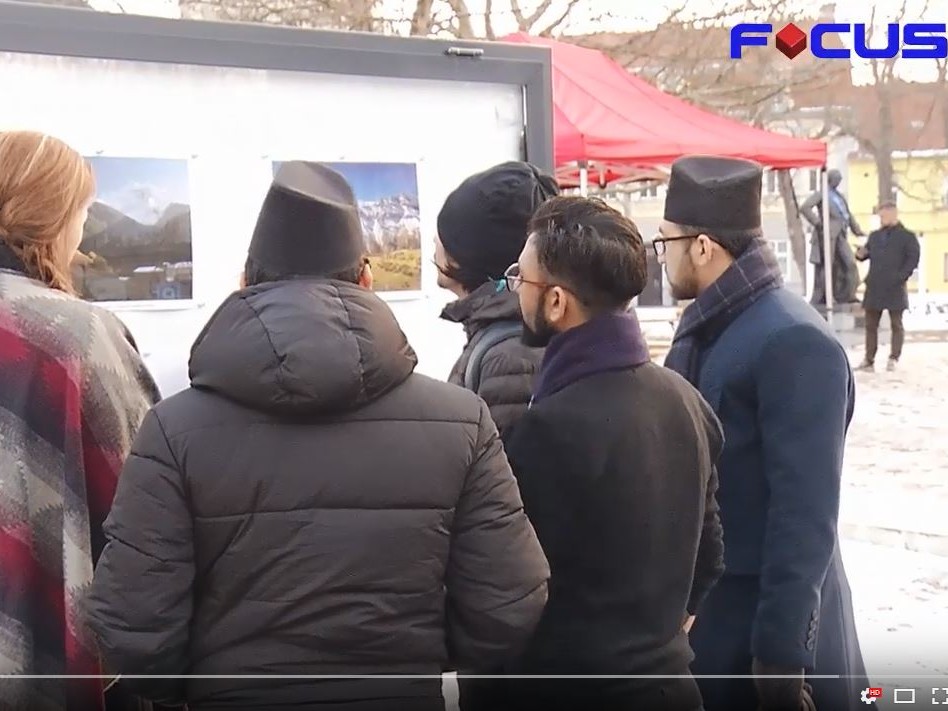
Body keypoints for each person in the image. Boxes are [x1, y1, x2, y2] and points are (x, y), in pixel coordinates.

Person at [81, 161, 550, 711]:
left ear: (245, 282)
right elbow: (509, 603)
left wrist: (213, 682)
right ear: (367, 281)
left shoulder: (172, 430)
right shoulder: (462, 422)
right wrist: (410, 655)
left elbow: (132, 626)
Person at [481, 195, 726, 711]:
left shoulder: (549, 427)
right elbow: (710, 557)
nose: (515, 289)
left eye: (520, 277)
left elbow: (516, 592)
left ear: (556, 302)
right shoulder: (686, 400)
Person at [660, 155, 868, 711]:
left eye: (666, 242)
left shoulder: (793, 340)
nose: (662, 257)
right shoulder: (711, 328)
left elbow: (804, 515)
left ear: (703, 247)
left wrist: (781, 654)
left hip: (769, 636)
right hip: (715, 620)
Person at [0, 130, 160, 711]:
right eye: (81, 214)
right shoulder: (77, 336)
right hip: (42, 643)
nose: (82, 233)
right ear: (50, 217)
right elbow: (144, 488)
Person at [436, 161, 559, 440]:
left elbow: (504, 461)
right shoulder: (506, 334)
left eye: (446, 234)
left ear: (470, 253)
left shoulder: (510, 355)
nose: (435, 240)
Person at [855, 199, 920, 372]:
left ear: (893, 214)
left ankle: (894, 357)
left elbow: (913, 259)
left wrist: (901, 276)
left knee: (896, 324)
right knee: (871, 325)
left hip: (895, 285)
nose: (881, 219)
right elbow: (865, 254)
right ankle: (869, 359)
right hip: (875, 284)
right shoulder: (875, 236)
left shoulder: (907, 237)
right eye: (880, 216)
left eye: (883, 216)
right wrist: (860, 253)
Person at [799, 168, 864, 306]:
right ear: (830, 179)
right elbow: (805, 207)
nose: (839, 181)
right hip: (826, 235)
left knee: (850, 263)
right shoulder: (821, 194)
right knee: (828, 266)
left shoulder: (839, 196)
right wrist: (818, 223)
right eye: (837, 179)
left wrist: (857, 230)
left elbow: (847, 214)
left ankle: (848, 294)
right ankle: (825, 296)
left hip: (841, 234)